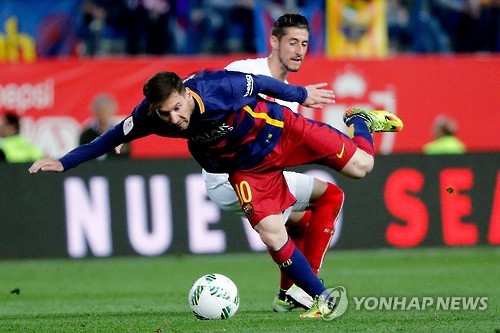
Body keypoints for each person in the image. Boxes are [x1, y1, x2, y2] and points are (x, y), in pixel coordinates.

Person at [29, 69, 403, 318]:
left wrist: (301, 93)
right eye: (164, 114)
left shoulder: (217, 87)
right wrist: (65, 162)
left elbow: (262, 84)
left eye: (177, 108)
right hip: (248, 169)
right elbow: (112, 136)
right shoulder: (149, 115)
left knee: (362, 168)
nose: (174, 119)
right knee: (271, 231)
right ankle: (323, 298)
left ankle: (359, 121)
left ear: (186, 94)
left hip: (281, 131)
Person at [203, 13, 345, 313]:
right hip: (229, 177)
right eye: (292, 42)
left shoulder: (293, 98)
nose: (299, 50)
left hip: (250, 176)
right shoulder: (244, 71)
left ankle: (287, 294)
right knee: (331, 196)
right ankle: (305, 290)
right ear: (273, 42)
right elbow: (200, 101)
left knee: (304, 225)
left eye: (304, 43)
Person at [80, 93, 131, 159]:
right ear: (95, 111)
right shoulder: (87, 134)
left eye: (106, 109)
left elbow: (126, 156)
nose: (103, 113)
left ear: (112, 110)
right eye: (100, 110)